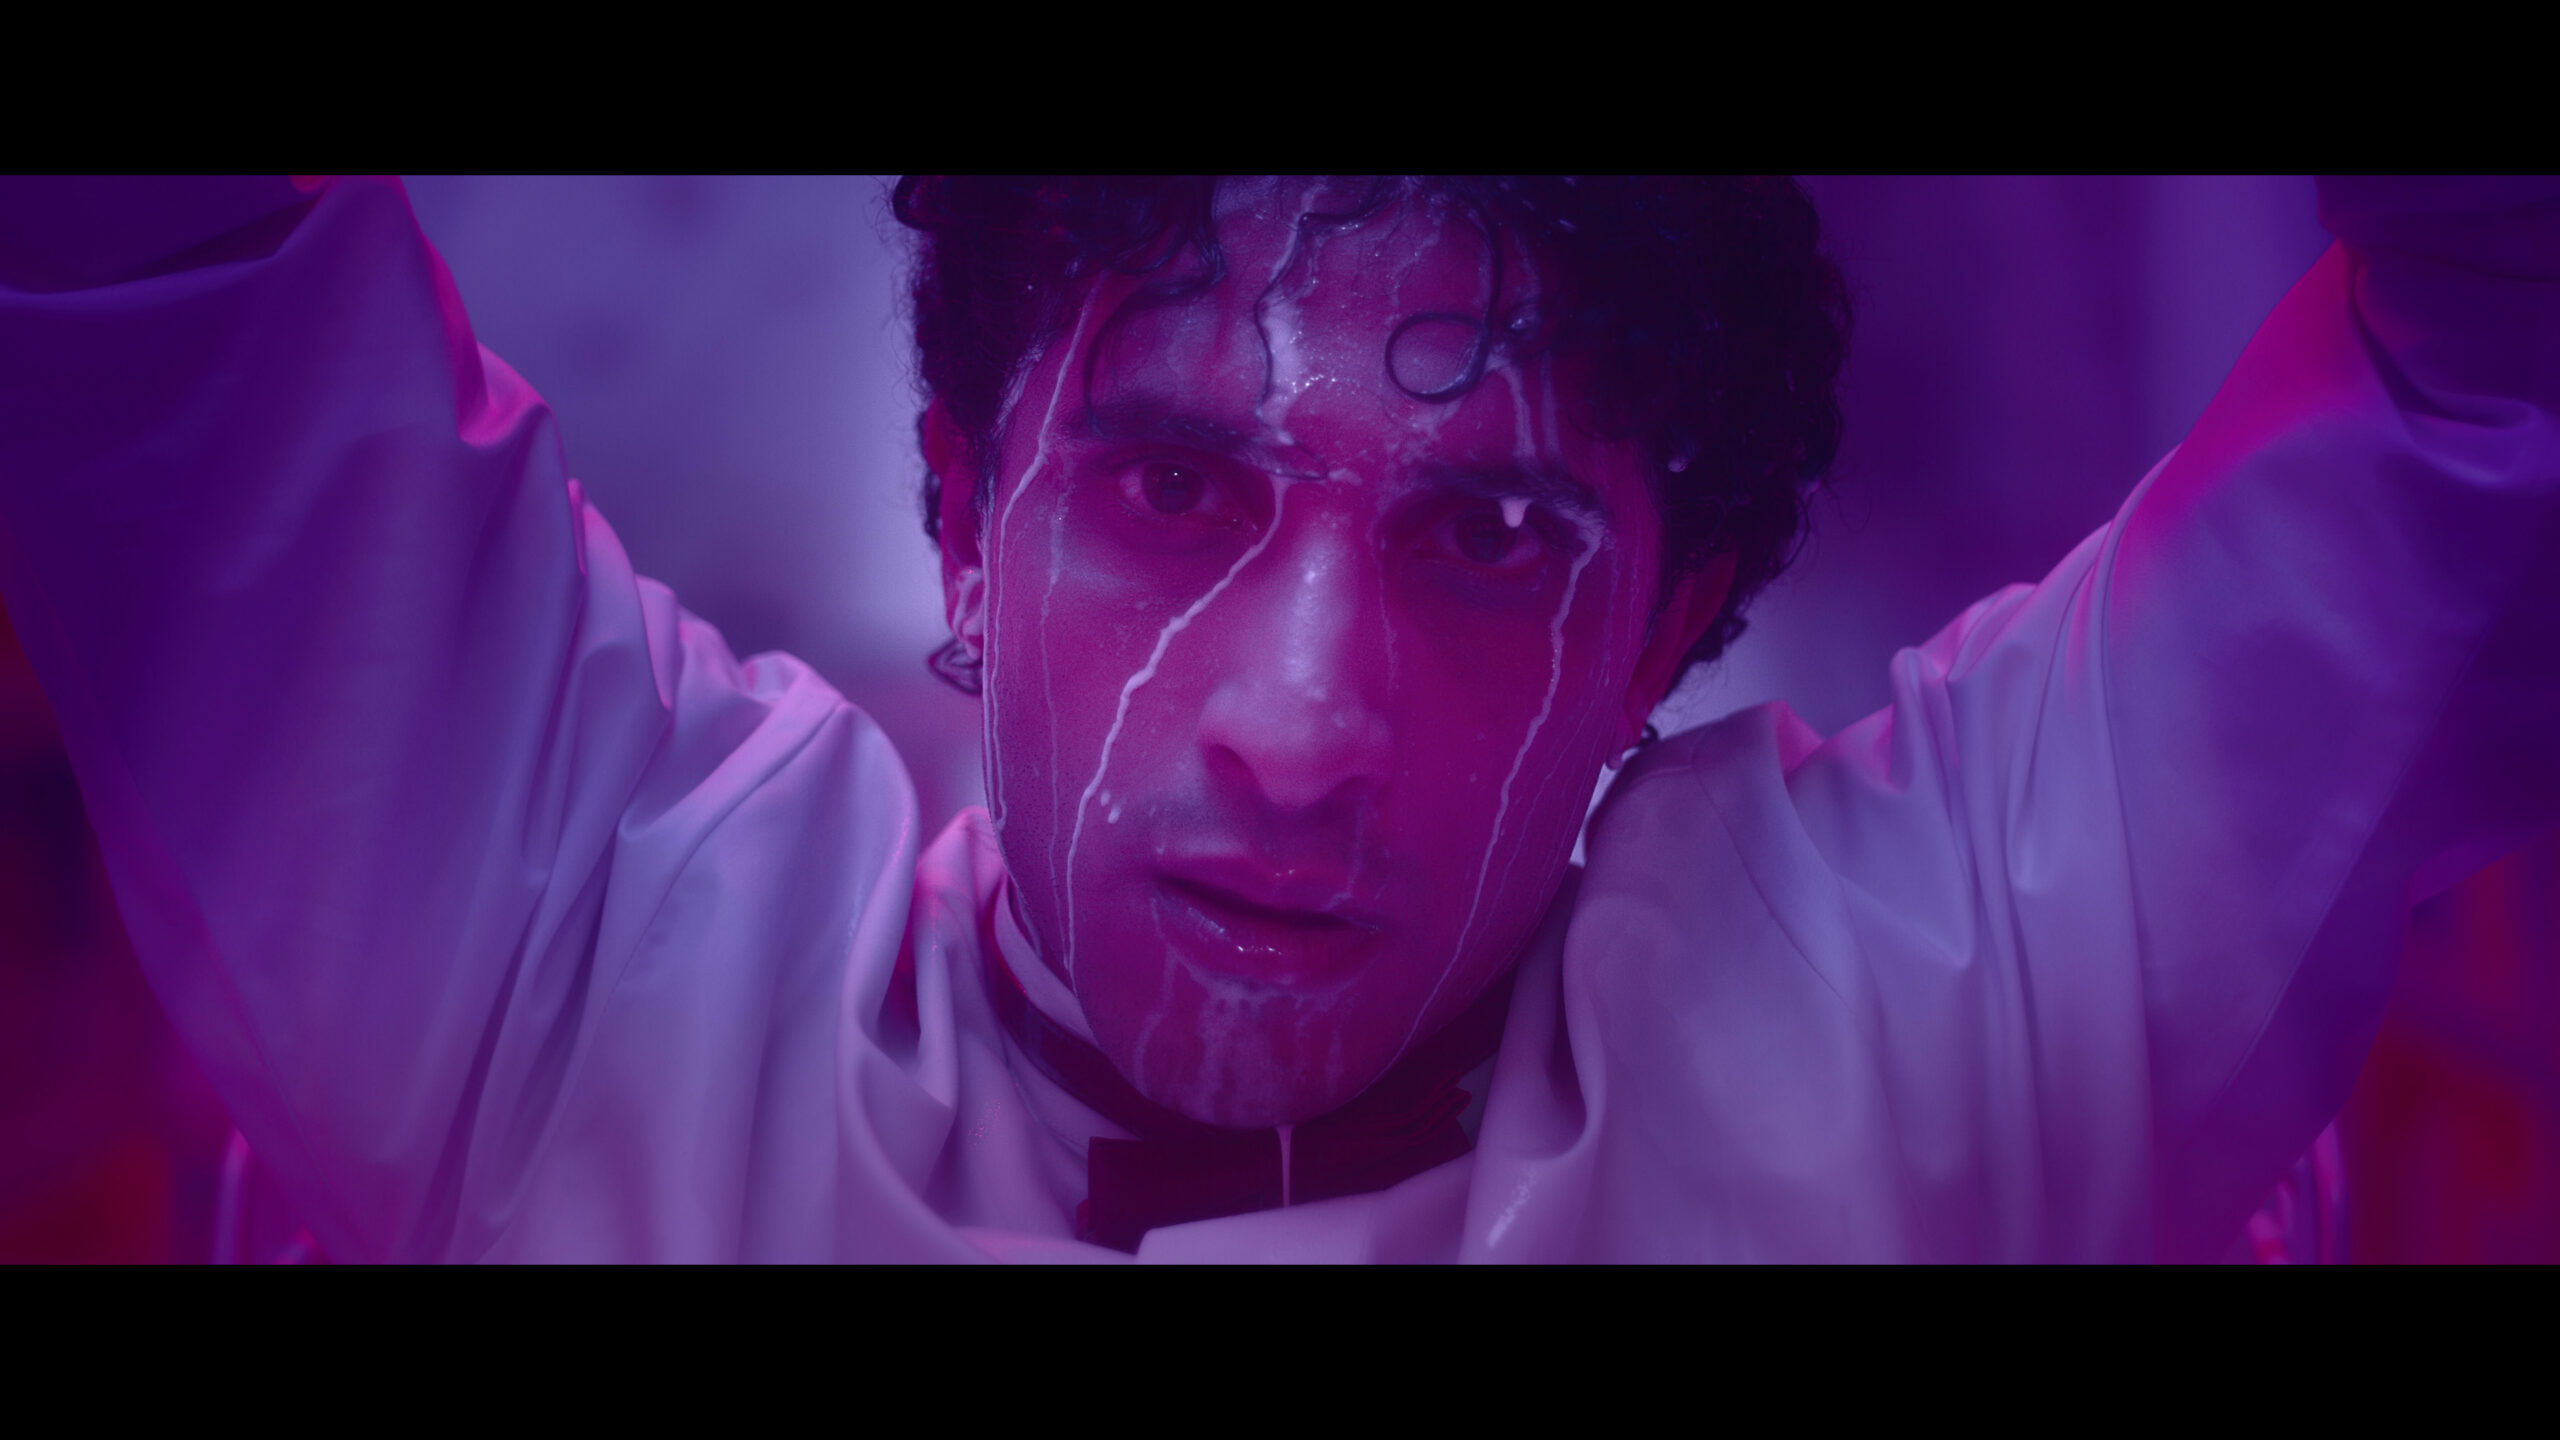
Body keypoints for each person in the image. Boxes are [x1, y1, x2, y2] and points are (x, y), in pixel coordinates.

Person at [0, 175, 2550, 1261]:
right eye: (1168, 485)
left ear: (1667, 634)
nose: (1300, 729)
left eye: (1492, 539)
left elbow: (2491, 372)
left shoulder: (1909, 1046)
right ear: (958, 509)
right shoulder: (604, 971)